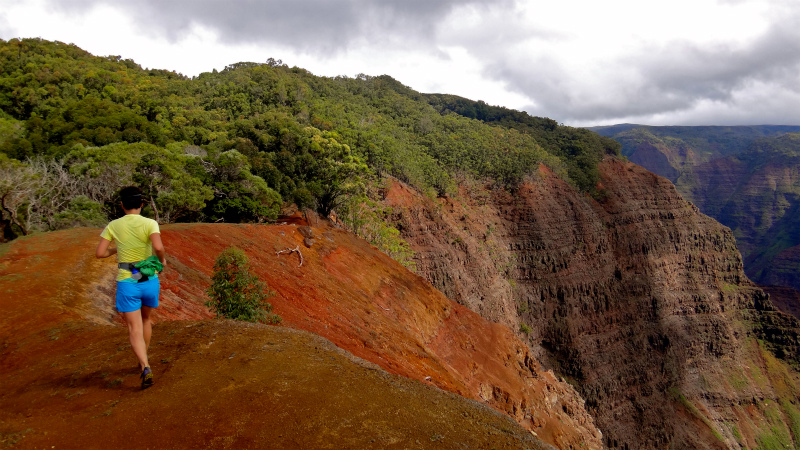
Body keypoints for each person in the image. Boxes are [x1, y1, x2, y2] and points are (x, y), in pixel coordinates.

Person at [96, 186, 166, 389]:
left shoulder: (113, 225)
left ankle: (145, 366)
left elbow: (99, 253)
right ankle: (143, 359)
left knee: (133, 327)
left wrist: (114, 250)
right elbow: (159, 247)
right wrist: (161, 262)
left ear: (122, 205)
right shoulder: (150, 223)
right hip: (148, 278)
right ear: (142, 204)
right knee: (146, 320)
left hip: (128, 280)